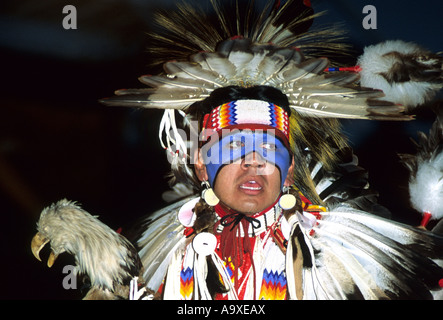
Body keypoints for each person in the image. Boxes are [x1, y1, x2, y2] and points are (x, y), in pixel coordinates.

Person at [31, 0, 443, 300]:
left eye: (269, 149)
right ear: (199, 162)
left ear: (291, 166)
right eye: (233, 147)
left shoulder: (345, 253)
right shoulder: (164, 245)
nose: (254, 163)